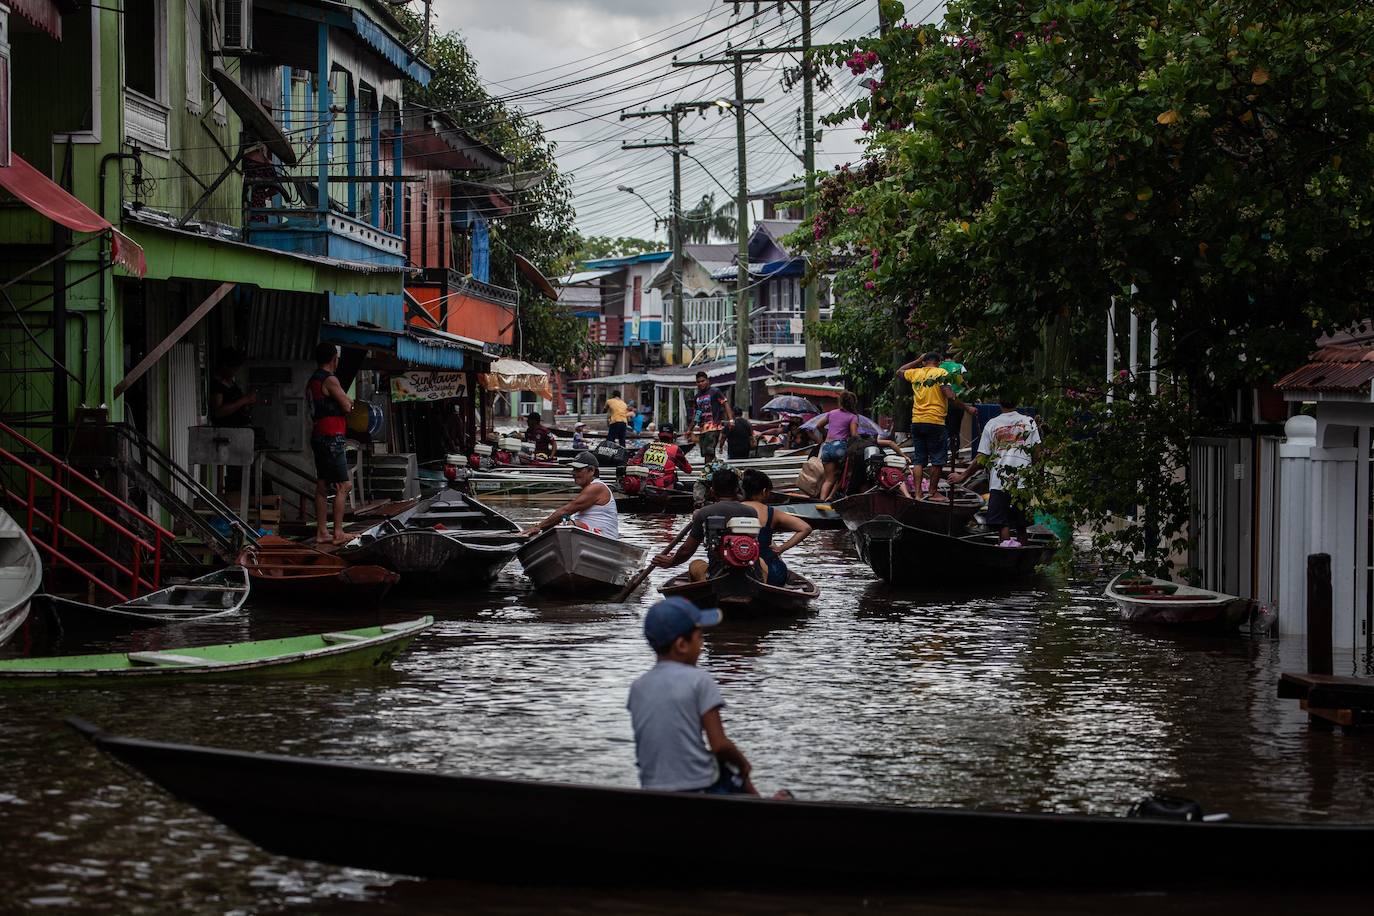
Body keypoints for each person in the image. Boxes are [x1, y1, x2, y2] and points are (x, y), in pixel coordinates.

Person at [627, 596, 757, 794]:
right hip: (699, 786)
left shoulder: (638, 686)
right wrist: (744, 764)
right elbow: (719, 745)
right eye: (700, 638)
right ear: (682, 645)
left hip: (651, 787)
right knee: (735, 773)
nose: (702, 645)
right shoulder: (699, 680)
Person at [950, 398, 1041, 547]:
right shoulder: (1029, 422)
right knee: (1021, 524)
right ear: (1017, 402)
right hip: (1023, 481)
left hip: (1000, 482)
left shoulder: (992, 424)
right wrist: (1036, 475)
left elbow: (981, 459)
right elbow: (1037, 453)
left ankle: (1006, 552)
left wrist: (962, 476)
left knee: (1002, 523)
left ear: (999, 402)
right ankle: (1023, 553)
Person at [653, 468, 756, 582]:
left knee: (695, 564)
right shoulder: (751, 512)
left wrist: (671, 562)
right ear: (737, 489)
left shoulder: (705, 512)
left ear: (712, 491)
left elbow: (687, 550)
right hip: (750, 571)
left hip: (716, 572)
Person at [897, 352, 976, 501]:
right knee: (937, 459)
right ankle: (933, 493)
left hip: (917, 421)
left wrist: (918, 360)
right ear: (938, 362)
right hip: (935, 421)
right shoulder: (941, 373)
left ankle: (918, 493)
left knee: (919, 459)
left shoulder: (916, 373)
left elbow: (899, 371)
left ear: (924, 362)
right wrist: (966, 408)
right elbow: (950, 395)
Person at [306, 342, 353, 544]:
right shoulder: (329, 379)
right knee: (344, 485)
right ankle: (338, 532)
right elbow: (347, 405)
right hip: (332, 436)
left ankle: (322, 532)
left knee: (323, 485)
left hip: (318, 434)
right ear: (334, 359)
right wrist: (348, 402)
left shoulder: (313, 380)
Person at [520, 450, 620, 539]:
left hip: (603, 538)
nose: (573, 473)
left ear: (591, 471)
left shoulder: (597, 487)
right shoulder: (590, 488)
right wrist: (543, 527)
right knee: (554, 525)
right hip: (589, 534)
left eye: (578, 469)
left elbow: (566, 510)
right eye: (573, 469)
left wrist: (538, 527)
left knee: (567, 524)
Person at [740, 469, 812, 586]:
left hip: (738, 566)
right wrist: (782, 548)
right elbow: (806, 528)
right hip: (771, 571)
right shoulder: (771, 512)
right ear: (764, 491)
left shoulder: (734, 508)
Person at [813, 391, 860, 501]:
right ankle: (831, 496)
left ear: (841, 402)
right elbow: (854, 435)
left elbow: (818, 425)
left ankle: (822, 500)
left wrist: (826, 434)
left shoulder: (831, 413)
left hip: (826, 447)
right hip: (840, 447)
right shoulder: (853, 417)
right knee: (843, 474)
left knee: (828, 479)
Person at [688, 371, 733, 458]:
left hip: (713, 427)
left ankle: (709, 466)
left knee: (708, 453)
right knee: (706, 454)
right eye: (698, 382)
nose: (701, 383)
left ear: (707, 381)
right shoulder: (697, 397)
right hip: (702, 429)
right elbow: (697, 413)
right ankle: (713, 466)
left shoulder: (715, 392)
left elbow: (725, 403)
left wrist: (731, 420)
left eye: (703, 381)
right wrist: (690, 429)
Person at [208, 348, 256, 428]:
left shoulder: (230, 381)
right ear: (225, 366)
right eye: (234, 370)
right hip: (227, 430)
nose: (235, 373)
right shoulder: (217, 385)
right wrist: (244, 400)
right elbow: (217, 412)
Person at [939, 351, 971, 457]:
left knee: (943, 428)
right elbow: (966, 381)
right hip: (957, 401)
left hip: (942, 402)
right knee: (956, 429)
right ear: (954, 357)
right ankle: (954, 453)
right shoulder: (960, 367)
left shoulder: (938, 367)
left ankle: (942, 453)